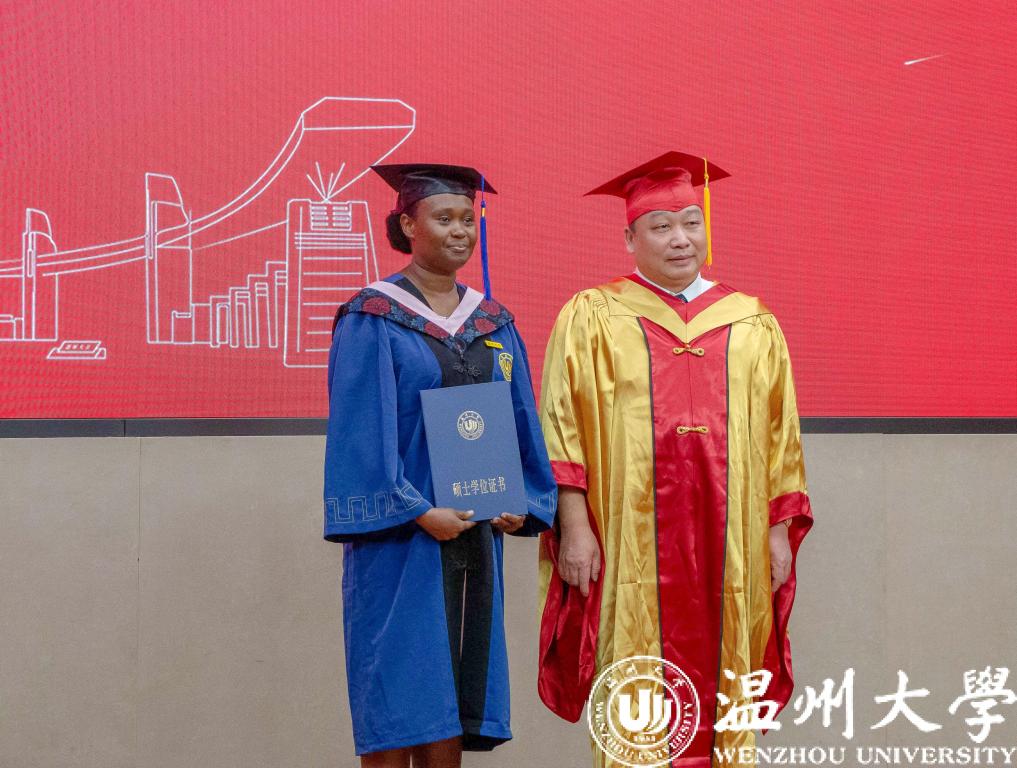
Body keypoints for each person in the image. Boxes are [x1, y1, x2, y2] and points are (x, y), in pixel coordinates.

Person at [536, 151, 813, 766]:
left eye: (691, 222)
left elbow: (780, 433)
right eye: (661, 226)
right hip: (629, 533)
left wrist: (777, 530)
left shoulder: (752, 321)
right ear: (629, 238)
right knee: (636, 666)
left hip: (733, 535)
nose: (681, 238)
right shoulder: (593, 316)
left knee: (729, 661)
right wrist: (574, 526)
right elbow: (562, 426)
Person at [323, 163, 556, 767]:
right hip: (403, 540)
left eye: (467, 220)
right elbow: (359, 434)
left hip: (473, 536)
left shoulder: (492, 322)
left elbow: (520, 417)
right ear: (407, 224)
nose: (460, 232)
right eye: (444, 218)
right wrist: (418, 511)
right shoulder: (374, 317)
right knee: (400, 688)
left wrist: (518, 503)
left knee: (454, 690)